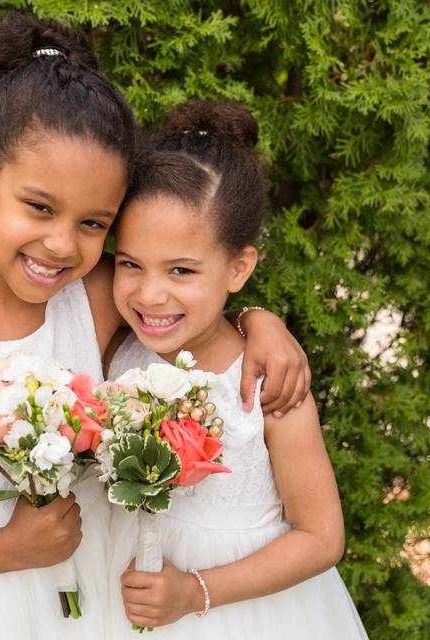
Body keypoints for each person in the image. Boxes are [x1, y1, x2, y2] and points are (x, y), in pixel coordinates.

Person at [0, 11, 310, 639]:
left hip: (86, 609)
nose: (62, 244)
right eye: (39, 207)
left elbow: (189, 304)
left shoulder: (95, 299)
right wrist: (6, 551)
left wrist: (261, 322)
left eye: (93, 223)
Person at [104, 100, 368, 638]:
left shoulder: (268, 383)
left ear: (239, 267)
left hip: (238, 613)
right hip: (121, 597)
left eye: (181, 269)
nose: (149, 294)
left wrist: (196, 591)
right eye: (130, 263)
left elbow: (321, 537)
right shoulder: (114, 347)